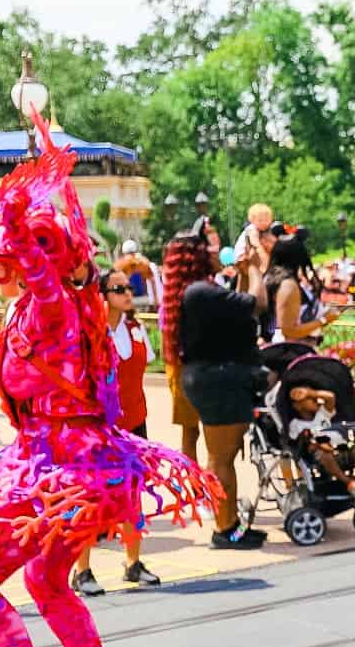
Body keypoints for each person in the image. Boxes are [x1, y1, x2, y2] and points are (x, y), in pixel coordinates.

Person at [0, 125, 216, 647]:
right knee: (47, 583)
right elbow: (0, 352)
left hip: (59, 471)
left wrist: (16, 197)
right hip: (73, 468)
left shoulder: (54, 302)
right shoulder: (44, 314)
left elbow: (36, 265)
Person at [72, 268, 161, 594]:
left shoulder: (136, 329)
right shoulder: (88, 332)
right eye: (118, 288)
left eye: (130, 287)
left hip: (134, 424)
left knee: (132, 496)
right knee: (89, 498)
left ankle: (133, 563)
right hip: (98, 428)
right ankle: (82, 570)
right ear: (102, 294)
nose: (127, 293)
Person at [179, 237, 270, 549]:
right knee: (221, 459)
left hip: (215, 378)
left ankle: (230, 527)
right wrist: (257, 270)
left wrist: (244, 273)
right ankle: (225, 529)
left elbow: (239, 309)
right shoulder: (200, 291)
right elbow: (256, 304)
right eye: (212, 248)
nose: (220, 251)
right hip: (216, 381)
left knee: (223, 458)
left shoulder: (201, 291)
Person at [159, 230, 213, 462]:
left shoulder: (171, 296)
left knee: (190, 433)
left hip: (180, 367)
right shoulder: (202, 294)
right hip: (203, 368)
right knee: (207, 434)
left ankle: (194, 487)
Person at [286, 386, 355, 499]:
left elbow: (331, 397)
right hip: (321, 455)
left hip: (341, 448)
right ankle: (349, 482)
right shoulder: (296, 424)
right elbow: (299, 443)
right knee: (325, 455)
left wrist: (310, 393)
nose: (316, 400)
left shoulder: (322, 414)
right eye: (310, 399)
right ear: (297, 406)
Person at [268, 233, 340, 346]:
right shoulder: (288, 286)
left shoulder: (273, 278)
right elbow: (288, 331)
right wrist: (323, 320)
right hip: (288, 353)